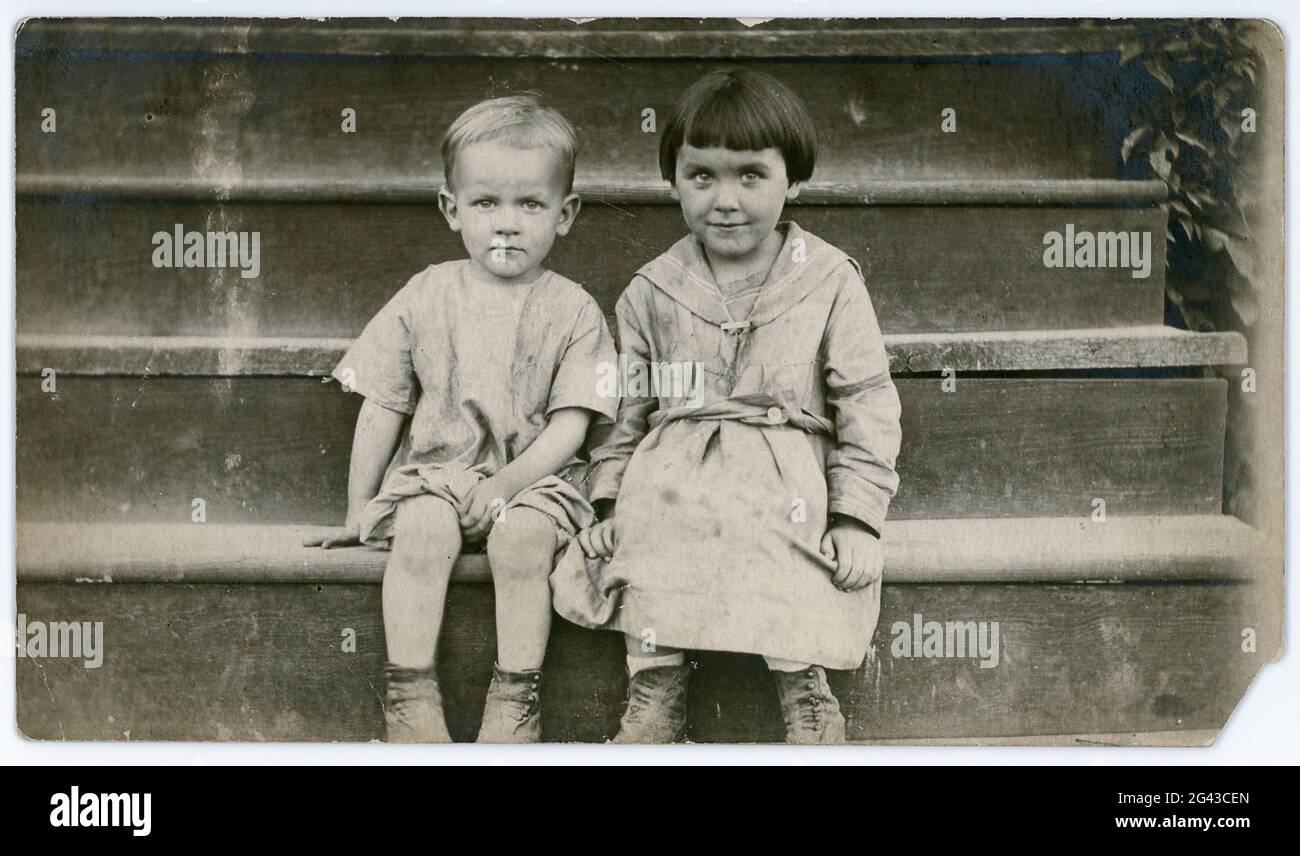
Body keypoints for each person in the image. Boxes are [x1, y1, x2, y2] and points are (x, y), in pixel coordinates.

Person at [552, 69, 902, 745]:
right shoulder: (653, 290)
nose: (725, 200)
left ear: (791, 179)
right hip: (672, 469)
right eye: (701, 176)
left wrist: (858, 516)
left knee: (778, 524)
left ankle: (805, 691)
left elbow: (866, 400)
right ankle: (655, 691)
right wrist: (605, 503)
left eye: (750, 176)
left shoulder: (828, 279)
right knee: (654, 523)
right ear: (674, 180)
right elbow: (628, 410)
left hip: (784, 469)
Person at [306, 94, 617, 743]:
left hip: (534, 483)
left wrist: (505, 487)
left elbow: (572, 427)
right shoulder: (428, 293)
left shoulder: (574, 309)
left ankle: (515, 697)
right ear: (452, 209)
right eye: (485, 203)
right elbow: (384, 400)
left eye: (529, 205)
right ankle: (410, 695)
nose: (506, 224)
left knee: (522, 540)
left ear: (565, 215)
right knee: (421, 529)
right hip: (440, 474)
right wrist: (358, 507)